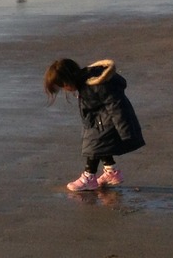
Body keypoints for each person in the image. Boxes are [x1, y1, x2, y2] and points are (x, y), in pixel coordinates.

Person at [44, 57, 144, 191]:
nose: (65, 89)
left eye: (63, 86)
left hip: (109, 122)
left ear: (68, 80)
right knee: (100, 145)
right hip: (100, 121)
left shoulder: (95, 85)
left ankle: (89, 176)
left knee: (93, 145)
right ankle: (111, 172)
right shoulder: (85, 83)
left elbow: (116, 105)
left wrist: (124, 128)